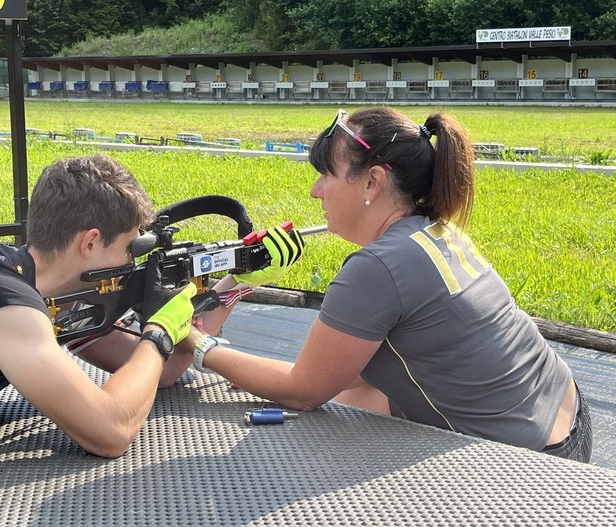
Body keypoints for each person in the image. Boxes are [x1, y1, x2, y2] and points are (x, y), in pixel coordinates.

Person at [184, 107, 593, 463]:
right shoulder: (435, 230)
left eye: (326, 175)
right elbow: (347, 375)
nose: (315, 191)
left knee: (304, 428)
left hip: (531, 462)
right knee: (351, 400)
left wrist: (201, 347)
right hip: (569, 415)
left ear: (372, 182)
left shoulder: (377, 267)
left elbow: (303, 392)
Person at [0, 153, 300, 458]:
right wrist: (159, 333)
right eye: (130, 248)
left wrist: (232, 287)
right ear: (89, 242)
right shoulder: (3, 298)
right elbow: (110, 432)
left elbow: (161, 374)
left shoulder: (50, 290)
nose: (133, 262)